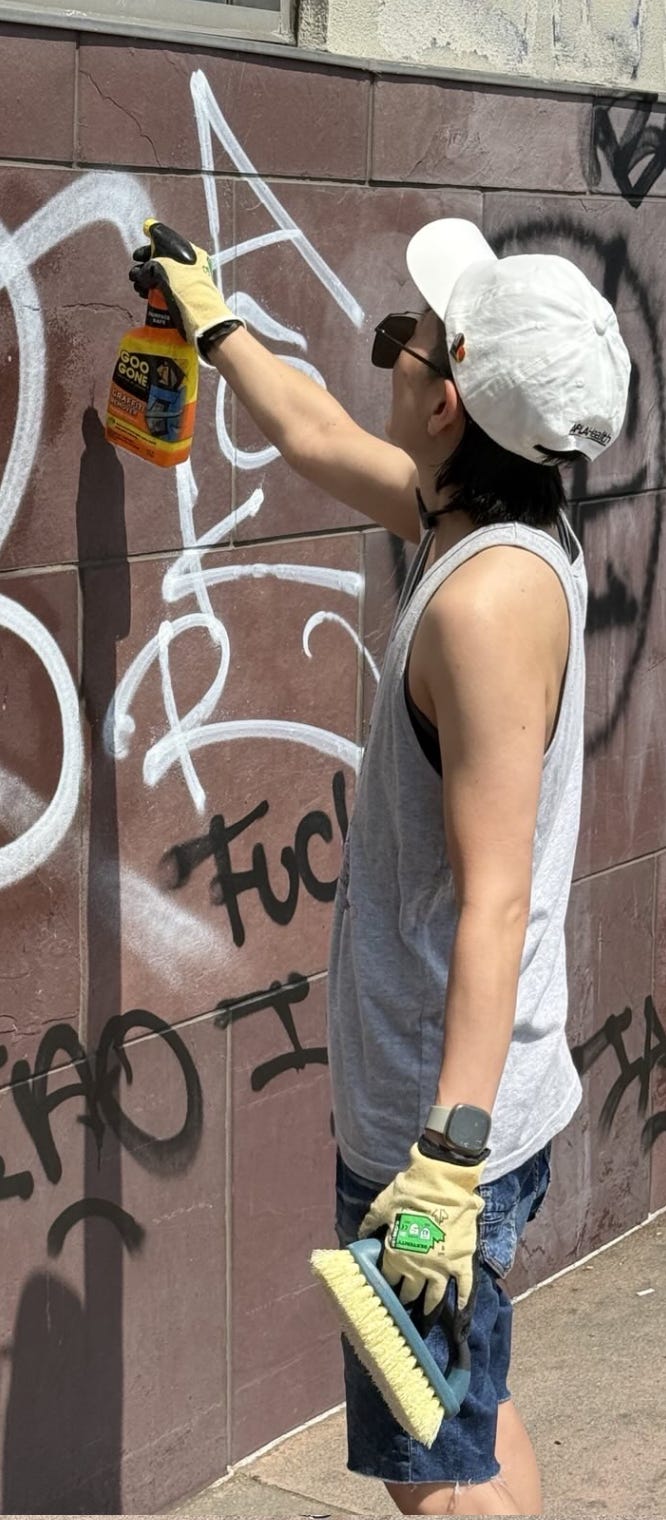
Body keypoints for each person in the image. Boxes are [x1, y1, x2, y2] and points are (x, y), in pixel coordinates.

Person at [129, 218, 630, 1517]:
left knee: (433, 1482)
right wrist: (212, 318)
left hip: (433, 1117)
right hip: (476, 1089)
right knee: (475, 1406)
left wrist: (442, 1173)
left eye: (404, 341)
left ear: (449, 404)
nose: (387, 355)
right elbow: (310, 434)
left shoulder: (477, 605)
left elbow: (495, 895)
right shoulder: (490, 525)